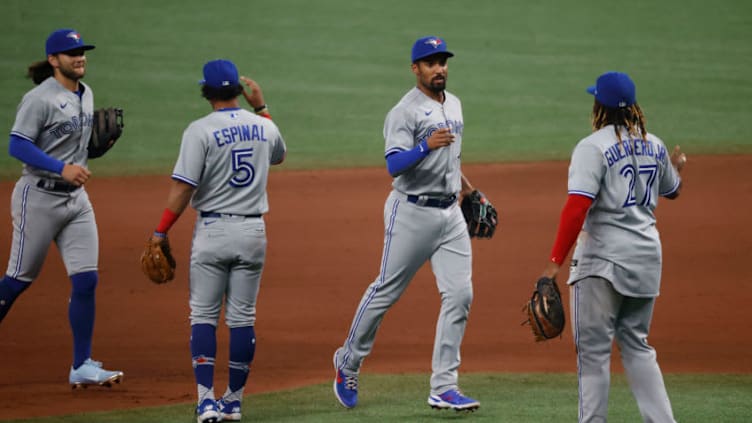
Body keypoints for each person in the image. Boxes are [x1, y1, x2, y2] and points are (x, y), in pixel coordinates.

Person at [333, 36, 483, 412]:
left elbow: (452, 158)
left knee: (460, 295)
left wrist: (470, 190)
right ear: (415, 69)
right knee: (386, 289)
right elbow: (394, 164)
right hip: (411, 212)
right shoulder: (405, 111)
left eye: (443, 62)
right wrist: (425, 146)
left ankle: (444, 386)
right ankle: (347, 361)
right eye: (431, 63)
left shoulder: (456, 103)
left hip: (450, 215)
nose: (440, 69)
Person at [540, 71, 686, 422]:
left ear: (598, 105)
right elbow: (673, 189)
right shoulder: (655, 143)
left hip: (602, 263)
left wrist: (553, 266)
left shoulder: (592, 147)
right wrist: (676, 167)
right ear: (633, 106)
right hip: (647, 260)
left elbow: (577, 207)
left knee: (592, 355)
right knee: (637, 346)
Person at [147, 59, 285, 423]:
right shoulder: (263, 127)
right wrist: (261, 106)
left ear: (206, 92)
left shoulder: (199, 130)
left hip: (213, 232)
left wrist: (160, 231)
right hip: (254, 233)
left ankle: (206, 400)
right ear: (239, 90)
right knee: (242, 318)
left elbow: (183, 187)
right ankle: (234, 401)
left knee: (204, 316)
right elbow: (279, 154)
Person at [0, 28, 124, 388]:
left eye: (82, 51)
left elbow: (78, 147)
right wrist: (61, 167)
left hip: (76, 202)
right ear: (54, 60)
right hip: (37, 198)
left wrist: (92, 152)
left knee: (86, 279)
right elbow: (17, 146)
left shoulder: (86, 95)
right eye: (71, 53)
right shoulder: (39, 99)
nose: (79, 56)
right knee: (17, 281)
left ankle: (81, 365)